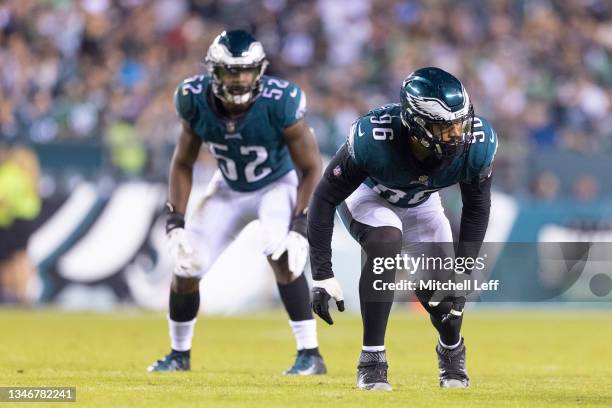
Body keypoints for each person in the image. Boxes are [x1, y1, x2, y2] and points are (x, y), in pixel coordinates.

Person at [307, 67, 498, 390]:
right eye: (445, 127)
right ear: (417, 125)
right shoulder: (375, 138)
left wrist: (465, 268)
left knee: (444, 295)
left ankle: (452, 352)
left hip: (422, 205)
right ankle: (372, 360)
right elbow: (324, 198)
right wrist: (322, 272)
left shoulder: (476, 144)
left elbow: (477, 207)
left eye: (460, 123)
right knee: (385, 240)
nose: (457, 134)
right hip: (369, 197)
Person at [148, 30, 325, 375]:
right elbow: (182, 161)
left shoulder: (280, 101)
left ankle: (310, 354)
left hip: (276, 182)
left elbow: (311, 166)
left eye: (246, 70)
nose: (240, 78)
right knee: (186, 267)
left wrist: (300, 224)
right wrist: (175, 220)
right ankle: (178, 355)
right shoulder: (193, 98)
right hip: (228, 186)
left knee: (281, 253)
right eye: (231, 70)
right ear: (213, 71)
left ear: (259, 71)